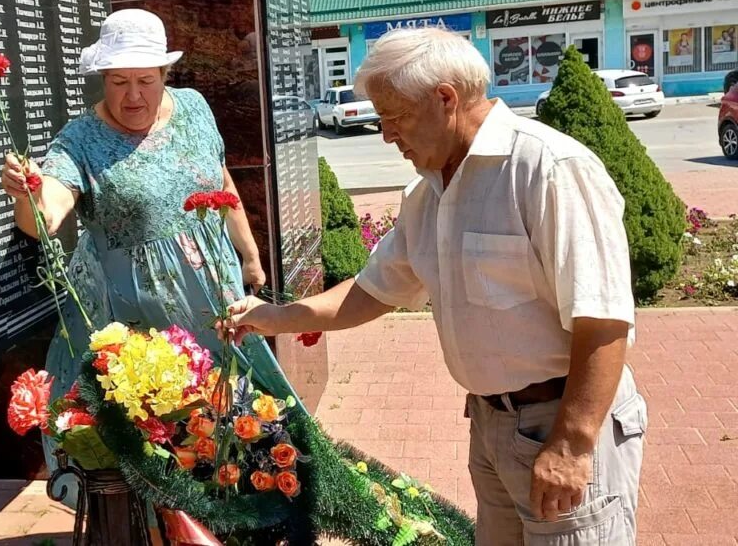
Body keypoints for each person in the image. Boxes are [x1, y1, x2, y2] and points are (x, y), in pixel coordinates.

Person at [224, 27, 646, 545]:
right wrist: (275, 317)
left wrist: (573, 443)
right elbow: (372, 290)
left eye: (394, 116)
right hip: (493, 426)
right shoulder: (428, 192)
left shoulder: (547, 168)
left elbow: (603, 318)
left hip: (561, 423)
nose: (385, 134)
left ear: (444, 99)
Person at [1, 8, 302, 468]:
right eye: (119, 82)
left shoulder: (194, 108)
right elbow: (43, 216)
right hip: (137, 319)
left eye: (146, 79)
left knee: (231, 418)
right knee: (159, 431)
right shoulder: (79, 139)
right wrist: (28, 191)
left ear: (165, 72)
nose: (134, 96)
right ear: (102, 78)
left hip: (213, 297)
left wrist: (250, 253)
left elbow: (219, 180)